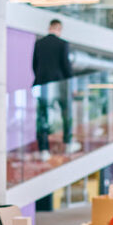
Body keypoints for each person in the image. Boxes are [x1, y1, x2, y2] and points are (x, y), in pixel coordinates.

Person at [32, 19, 74, 160]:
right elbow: (66, 67)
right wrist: (71, 86)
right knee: (66, 114)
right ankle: (67, 142)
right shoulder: (63, 44)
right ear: (59, 28)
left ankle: (44, 149)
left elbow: (34, 66)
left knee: (42, 118)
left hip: (42, 85)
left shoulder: (39, 44)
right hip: (59, 86)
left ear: (49, 27)